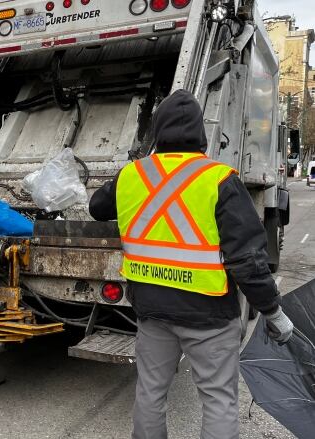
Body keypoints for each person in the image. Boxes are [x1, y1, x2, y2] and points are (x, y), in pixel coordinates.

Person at [89, 90, 294, 439]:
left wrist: (141, 163)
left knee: (150, 393)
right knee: (217, 400)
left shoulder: (133, 175)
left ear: (157, 133)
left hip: (152, 310)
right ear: (201, 134)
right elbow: (247, 259)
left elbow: (97, 207)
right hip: (208, 314)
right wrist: (272, 311)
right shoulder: (219, 179)